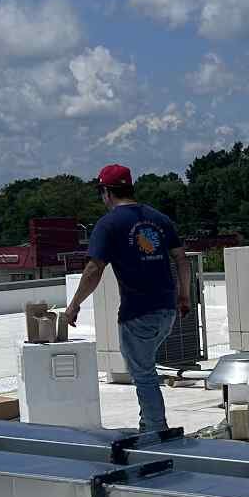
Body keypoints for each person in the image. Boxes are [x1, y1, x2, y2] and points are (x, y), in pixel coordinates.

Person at [64, 164, 189, 432]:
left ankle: (156, 429)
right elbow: (181, 257)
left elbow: (94, 269)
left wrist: (74, 305)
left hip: (137, 313)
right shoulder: (159, 218)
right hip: (167, 310)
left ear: (107, 192)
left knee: (143, 374)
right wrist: (185, 295)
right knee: (145, 367)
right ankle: (149, 423)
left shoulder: (108, 224)